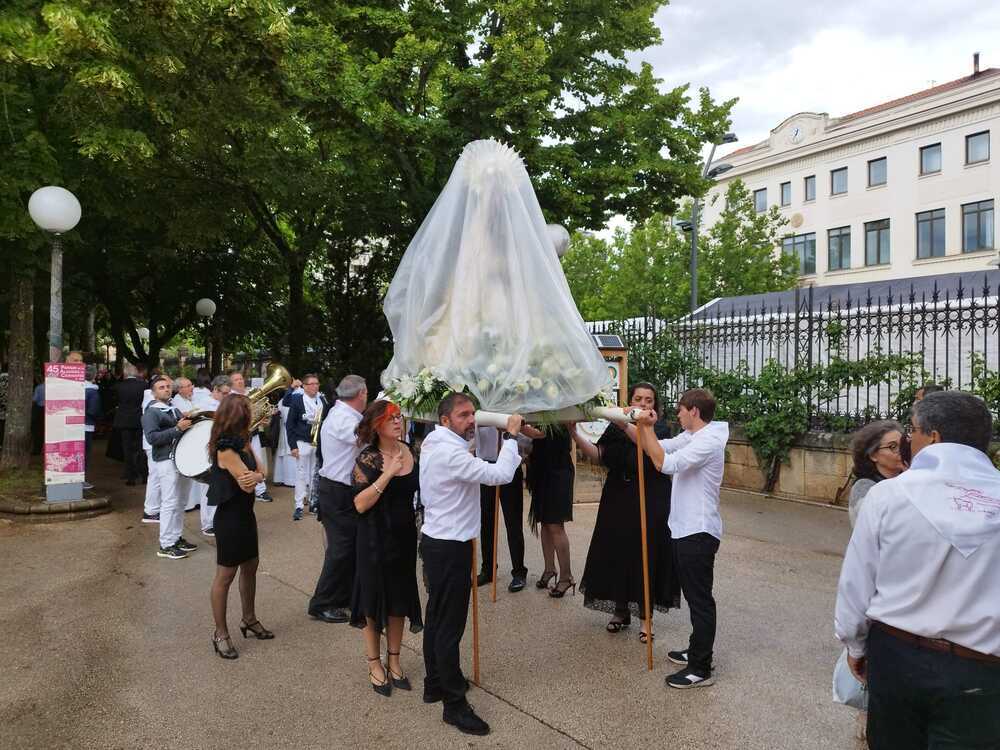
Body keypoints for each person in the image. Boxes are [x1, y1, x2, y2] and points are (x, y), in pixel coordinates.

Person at [835, 391, 1000, 748]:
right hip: (981, 668)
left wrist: (856, 647)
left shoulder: (888, 497)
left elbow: (857, 585)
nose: (910, 442)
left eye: (913, 431)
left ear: (934, 436)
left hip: (897, 655)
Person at [419, 393, 523, 736]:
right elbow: (501, 474)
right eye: (463, 416)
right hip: (450, 547)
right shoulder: (450, 452)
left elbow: (470, 451)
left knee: (436, 618)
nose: (471, 421)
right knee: (449, 627)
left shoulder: (435, 441)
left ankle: (435, 682)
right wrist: (510, 436)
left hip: (438, 542)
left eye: (472, 414)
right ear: (446, 419)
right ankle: (454, 705)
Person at [636, 388, 729, 689]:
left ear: (694, 412)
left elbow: (664, 463)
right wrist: (631, 422)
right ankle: (696, 649)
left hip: (698, 532)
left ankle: (700, 668)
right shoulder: (693, 436)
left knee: (700, 600)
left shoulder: (709, 441)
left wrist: (646, 427)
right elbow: (657, 446)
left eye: (680, 409)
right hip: (684, 528)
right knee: (694, 597)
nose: (676, 414)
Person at [574, 383, 680, 641]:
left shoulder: (660, 428)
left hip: (651, 498)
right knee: (617, 551)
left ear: (655, 405)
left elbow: (647, 446)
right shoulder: (615, 426)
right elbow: (599, 455)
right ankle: (620, 611)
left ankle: (646, 620)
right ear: (630, 400)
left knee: (646, 553)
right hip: (618, 496)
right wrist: (574, 434)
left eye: (648, 400)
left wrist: (629, 424)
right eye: (638, 399)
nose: (643, 404)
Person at [349, 400, 423, 696]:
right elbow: (359, 503)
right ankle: (374, 663)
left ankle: (394, 659)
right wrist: (388, 473)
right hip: (373, 539)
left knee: (399, 601)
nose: (397, 421)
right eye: (391, 418)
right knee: (373, 601)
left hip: (403, 537)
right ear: (377, 425)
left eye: (399, 417)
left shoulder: (410, 450)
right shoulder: (368, 459)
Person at [206, 394, 274, 659]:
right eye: (248, 410)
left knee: (250, 568)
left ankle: (249, 619)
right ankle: (220, 633)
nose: (253, 412)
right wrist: (255, 477)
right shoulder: (225, 448)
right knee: (225, 576)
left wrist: (255, 476)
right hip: (230, 518)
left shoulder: (243, 441)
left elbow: (260, 473)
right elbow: (247, 482)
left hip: (246, 515)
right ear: (239, 415)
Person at [308, 374, 368, 623]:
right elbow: (363, 439)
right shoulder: (344, 418)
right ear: (361, 393)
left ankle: (343, 597)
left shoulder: (344, 413)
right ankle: (322, 603)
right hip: (337, 490)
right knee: (341, 550)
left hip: (340, 489)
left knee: (349, 547)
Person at [142, 374, 197, 559]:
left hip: (180, 459)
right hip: (165, 460)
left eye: (167, 386)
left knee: (180, 502)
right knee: (169, 503)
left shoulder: (173, 408)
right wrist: (177, 429)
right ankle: (166, 544)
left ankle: (176, 537)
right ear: (154, 392)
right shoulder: (151, 412)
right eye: (161, 387)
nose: (166, 389)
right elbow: (152, 438)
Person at [475, 426, 530, 592]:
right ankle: (488, 569)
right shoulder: (479, 408)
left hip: (509, 464)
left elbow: (526, 440)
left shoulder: (512, 406)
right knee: (486, 520)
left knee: (513, 522)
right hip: (485, 465)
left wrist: (509, 435)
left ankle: (519, 571)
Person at [525, 424, 576, 597]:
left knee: (555, 525)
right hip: (541, 468)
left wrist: (514, 426)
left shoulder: (562, 408)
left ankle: (566, 576)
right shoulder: (537, 406)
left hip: (558, 469)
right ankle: (549, 569)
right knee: (545, 522)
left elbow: (539, 433)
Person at [282, 374, 329, 521]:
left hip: (317, 442)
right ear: (305, 386)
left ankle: (314, 502)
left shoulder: (322, 400)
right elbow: (290, 425)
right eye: (312, 384)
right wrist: (293, 446)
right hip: (302, 441)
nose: (316, 386)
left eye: (317, 383)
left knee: (315, 474)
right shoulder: (297, 400)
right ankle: (299, 505)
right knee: (301, 474)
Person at [847, 420, 907, 526]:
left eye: (903, 445)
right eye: (892, 447)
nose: (901, 451)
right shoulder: (864, 487)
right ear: (873, 455)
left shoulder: (906, 478)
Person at [229, 370, 273, 502]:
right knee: (242, 462)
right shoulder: (230, 398)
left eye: (241, 378)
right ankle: (244, 488)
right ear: (231, 383)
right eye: (236, 379)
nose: (240, 381)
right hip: (238, 435)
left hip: (253, 433)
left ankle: (260, 490)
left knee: (258, 460)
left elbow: (262, 412)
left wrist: (264, 419)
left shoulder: (250, 393)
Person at [196, 376, 232, 536]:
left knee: (223, 485)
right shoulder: (204, 404)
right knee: (208, 488)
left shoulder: (224, 403)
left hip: (223, 447)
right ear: (215, 390)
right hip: (208, 449)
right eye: (224, 393)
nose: (227, 396)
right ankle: (208, 523)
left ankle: (219, 519)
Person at [115, 364, 147, 488]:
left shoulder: (119, 386)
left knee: (127, 449)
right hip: (139, 419)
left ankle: (131, 477)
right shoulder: (144, 386)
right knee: (141, 448)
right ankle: (144, 475)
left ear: (125, 373)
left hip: (124, 421)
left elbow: (116, 402)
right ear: (136, 373)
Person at [83, 365, 102, 491]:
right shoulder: (93, 392)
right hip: (87, 425)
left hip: (73, 425)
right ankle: (81, 479)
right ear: (94, 376)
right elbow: (93, 411)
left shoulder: (77, 389)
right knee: (85, 453)